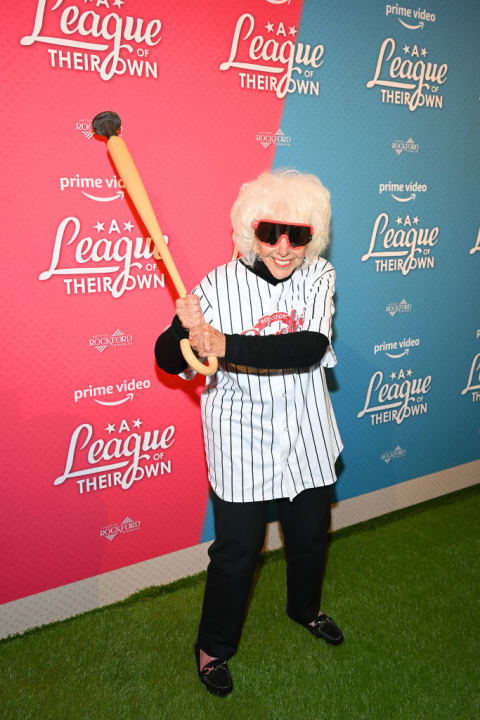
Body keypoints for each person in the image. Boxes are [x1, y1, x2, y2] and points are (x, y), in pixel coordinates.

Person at [155, 169, 343, 697]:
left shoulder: (319, 278)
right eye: (271, 232)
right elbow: (167, 360)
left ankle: (304, 609)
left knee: (309, 538)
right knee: (237, 552)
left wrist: (225, 343)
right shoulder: (214, 286)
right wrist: (182, 332)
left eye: (299, 234)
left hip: (306, 436)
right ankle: (213, 647)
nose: (284, 248)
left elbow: (306, 347)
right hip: (240, 440)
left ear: (314, 236)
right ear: (249, 231)